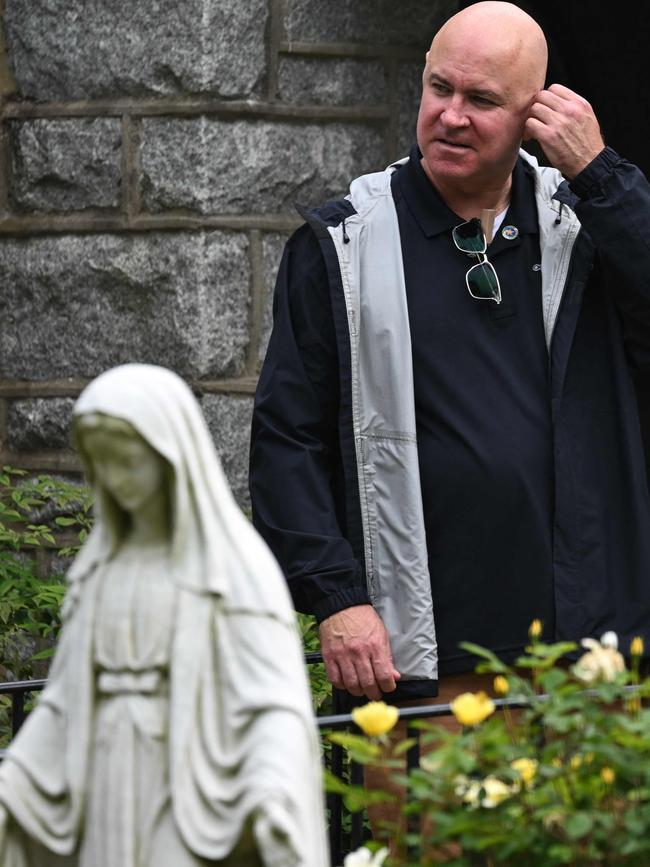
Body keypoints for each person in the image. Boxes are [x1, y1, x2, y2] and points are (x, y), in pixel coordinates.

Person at [249, 0, 650, 714]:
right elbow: (287, 443)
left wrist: (601, 175)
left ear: (537, 112)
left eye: (483, 99)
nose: (451, 115)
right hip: (421, 671)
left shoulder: (587, 228)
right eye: (440, 88)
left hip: (588, 669)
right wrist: (336, 598)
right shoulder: (341, 244)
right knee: (422, 834)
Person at [0, 364, 328, 867]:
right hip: (103, 778)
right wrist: (15, 779)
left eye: (128, 461)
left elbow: (272, 705)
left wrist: (273, 790)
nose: (115, 478)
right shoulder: (100, 572)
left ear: (171, 456)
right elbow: (64, 705)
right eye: (102, 462)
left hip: (186, 786)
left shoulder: (232, 570)